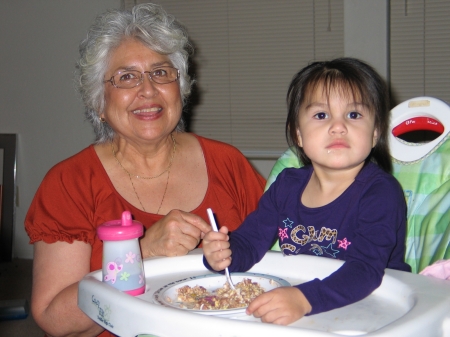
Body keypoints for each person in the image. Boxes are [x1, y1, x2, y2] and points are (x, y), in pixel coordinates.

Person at [25, 3, 265, 337]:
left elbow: (280, 262)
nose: (148, 90)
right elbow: (57, 321)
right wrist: (143, 254)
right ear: (99, 102)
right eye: (126, 77)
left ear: (179, 89)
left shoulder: (229, 164)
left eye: (161, 73)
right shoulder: (70, 183)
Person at [203, 57, 411, 325]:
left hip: (376, 310)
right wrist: (223, 254)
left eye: (354, 114)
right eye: (321, 115)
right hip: (309, 309)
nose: (338, 126)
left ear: (375, 133)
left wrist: (304, 299)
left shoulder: (381, 194)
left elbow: (366, 270)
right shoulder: (286, 186)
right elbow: (249, 243)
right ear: (298, 134)